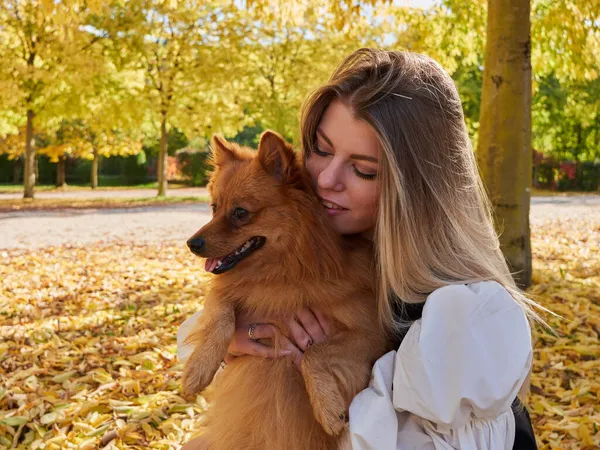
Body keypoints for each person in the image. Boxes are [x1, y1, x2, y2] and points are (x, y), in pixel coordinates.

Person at [178, 48, 538, 449]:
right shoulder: (322, 244)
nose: (327, 179)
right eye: (321, 149)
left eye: (363, 169)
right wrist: (232, 336)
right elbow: (204, 328)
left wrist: (322, 365)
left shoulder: (460, 312)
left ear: (415, 186)